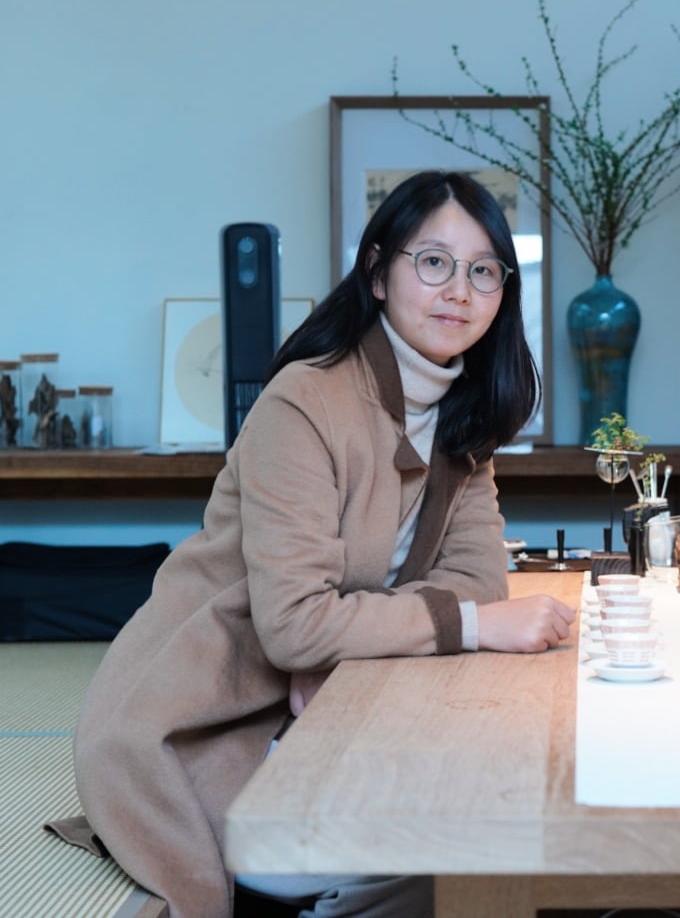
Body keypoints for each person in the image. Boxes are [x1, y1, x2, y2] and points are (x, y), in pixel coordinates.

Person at [69, 171, 576, 918]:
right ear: (377, 272)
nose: (458, 291)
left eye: (483, 271)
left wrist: (346, 649)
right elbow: (294, 624)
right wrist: (459, 625)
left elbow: (478, 578)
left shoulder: (466, 414)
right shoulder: (303, 402)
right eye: (433, 261)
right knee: (453, 841)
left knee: (497, 796)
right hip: (206, 722)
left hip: (335, 703)